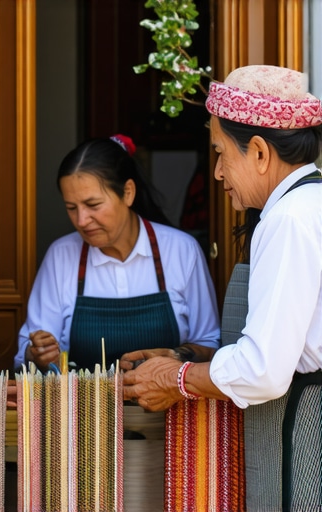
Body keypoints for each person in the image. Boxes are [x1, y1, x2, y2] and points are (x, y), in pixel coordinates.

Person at [122, 65, 322, 510]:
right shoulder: (306, 205)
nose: (216, 172)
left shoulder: (290, 220)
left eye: (219, 153)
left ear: (259, 152)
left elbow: (263, 370)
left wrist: (177, 380)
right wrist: (189, 356)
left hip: (304, 438)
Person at [14, 134, 220, 372]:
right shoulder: (61, 256)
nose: (81, 220)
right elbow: (26, 353)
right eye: (71, 208)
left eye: (93, 205)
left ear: (128, 193)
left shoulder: (181, 250)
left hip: (168, 406)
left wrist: (175, 355)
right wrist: (37, 352)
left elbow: (210, 345)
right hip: (85, 406)